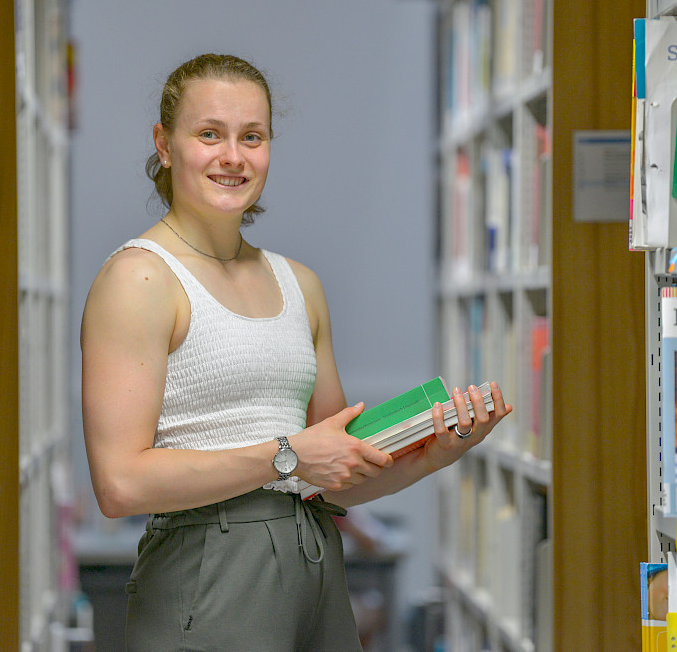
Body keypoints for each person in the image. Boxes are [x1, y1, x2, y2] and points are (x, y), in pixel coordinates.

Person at [80, 53, 512, 651]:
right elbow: (120, 483)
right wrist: (287, 455)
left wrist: (434, 454)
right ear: (164, 144)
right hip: (209, 570)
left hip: (313, 560)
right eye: (210, 134)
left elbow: (331, 475)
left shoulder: (299, 285)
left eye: (251, 137)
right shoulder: (139, 280)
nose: (233, 156)